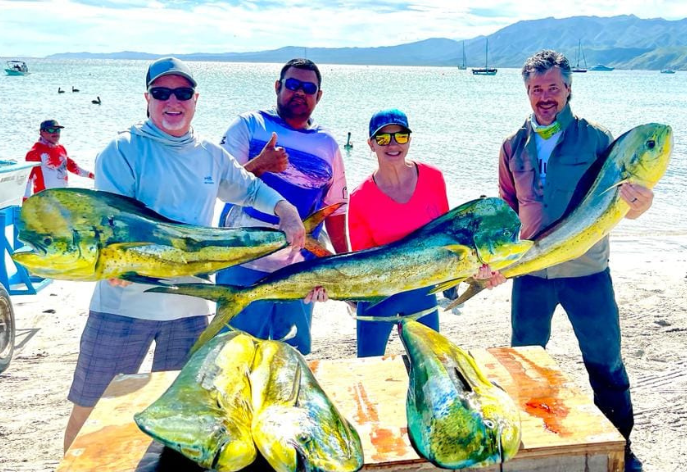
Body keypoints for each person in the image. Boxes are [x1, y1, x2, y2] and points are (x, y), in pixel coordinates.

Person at [63, 57, 305, 453]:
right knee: (90, 409)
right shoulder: (121, 150)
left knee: (178, 415)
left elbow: (247, 187)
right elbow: (116, 223)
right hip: (123, 305)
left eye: (182, 93)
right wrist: (116, 261)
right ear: (147, 98)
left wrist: (286, 210)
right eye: (161, 93)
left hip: (191, 307)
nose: (172, 101)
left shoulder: (209, 154)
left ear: (196, 100)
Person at [499, 50, 652, 472]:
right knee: (525, 361)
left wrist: (641, 205)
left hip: (588, 273)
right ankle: (530, 446)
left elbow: (623, 201)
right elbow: (507, 211)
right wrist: (495, 261)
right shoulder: (512, 146)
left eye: (552, 88)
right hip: (530, 274)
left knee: (605, 360)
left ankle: (621, 448)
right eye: (536, 90)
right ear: (526, 93)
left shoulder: (600, 140)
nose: (544, 97)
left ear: (568, 89)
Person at [216, 58, 349, 356]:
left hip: (298, 272)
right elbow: (219, 186)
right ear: (278, 87)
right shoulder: (249, 125)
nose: (299, 92)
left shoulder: (327, 144)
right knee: (233, 358)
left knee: (290, 359)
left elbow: (336, 209)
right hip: (242, 264)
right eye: (292, 85)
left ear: (318, 96)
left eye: (308, 88)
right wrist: (259, 166)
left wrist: (341, 267)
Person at [344, 108, 500, 357]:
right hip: (378, 299)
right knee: (367, 370)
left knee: (432, 368)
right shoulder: (360, 197)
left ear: (410, 139)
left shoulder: (433, 178)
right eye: (383, 138)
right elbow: (364, 264)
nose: (393, 144)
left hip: (423, 294)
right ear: (371, 144)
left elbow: (450, 241)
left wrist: (478, 271)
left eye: (400, 136)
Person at [24, 120, 94, 199]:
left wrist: (92, 176)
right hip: (44, 200)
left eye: (58, 130)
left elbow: (72, 167)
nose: (55, 133)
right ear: (41, 132)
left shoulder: (61, 148)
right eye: (51, 130)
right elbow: (27, 179)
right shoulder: (35, 152)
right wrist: (25, 200)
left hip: (63, 197)